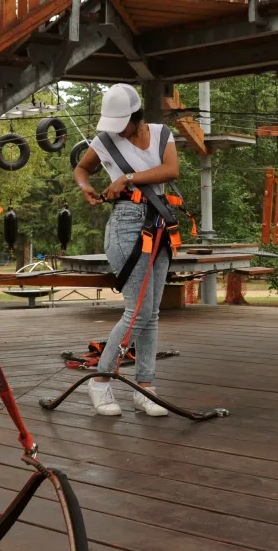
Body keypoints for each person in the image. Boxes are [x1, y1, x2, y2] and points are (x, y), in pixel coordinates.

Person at [72, 84, 180, 418]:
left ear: (136, 116)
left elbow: (170, 170)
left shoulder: (163, 134)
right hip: (126, 224)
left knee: (152, 313)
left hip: (159, 222)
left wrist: (127, 178)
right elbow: (81, 169)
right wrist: (86, 187)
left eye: (123, 122)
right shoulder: (104, 140)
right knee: (137, 311)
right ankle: (101, 381)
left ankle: (145, 388)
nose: (117, 129)